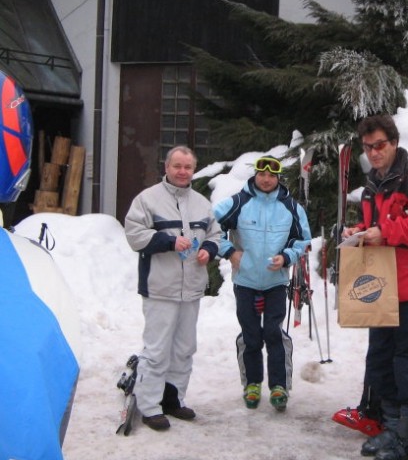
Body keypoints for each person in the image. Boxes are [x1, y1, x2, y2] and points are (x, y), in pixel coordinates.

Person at [341, 114, 408, 460]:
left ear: (394, 142)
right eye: (368, 147)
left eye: (380, 145)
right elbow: (375, 224)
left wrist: (385, 234)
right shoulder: (373, 183)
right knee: (383, 361)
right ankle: (391, 428)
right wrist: (358, 231)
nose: (373, 153)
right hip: (382, 287)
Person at [124, 145, 221, 431]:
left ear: (193, 169)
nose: (182, 172)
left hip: (191, 287)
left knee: (184, 348)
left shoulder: (202, 203)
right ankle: (149, 405)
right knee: (156, 350)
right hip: (160, 287)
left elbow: (214, 233)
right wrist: (167, 241)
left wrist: (208, 249)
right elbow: (134, 234)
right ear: (166, 167)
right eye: (177, 166)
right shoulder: (147, 200)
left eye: (187, 167)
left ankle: (173, 399)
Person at [213, 155, 311, 412]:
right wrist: (229, 251)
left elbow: (302, 240)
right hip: (245, 281)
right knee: (251, 335)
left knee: (273, 333)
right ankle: (252, 384)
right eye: (262, 174)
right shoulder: (239, 202)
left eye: (272, 175)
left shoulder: (290, 206)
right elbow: (212, 227)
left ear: (278, 178)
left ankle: (279, 386)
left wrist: (287, 256)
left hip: (275, 282)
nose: (266, 179)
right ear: (255, 175)